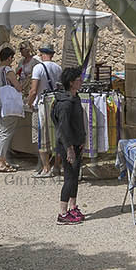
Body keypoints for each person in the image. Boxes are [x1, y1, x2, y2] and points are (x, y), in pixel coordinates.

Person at [52, 65, 87, 223]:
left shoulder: (75, 97)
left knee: (75, 177)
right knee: (69, 178)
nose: (81, 82)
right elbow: (63, 128)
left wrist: (82, 139)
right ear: (71, 83)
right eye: (79, 80)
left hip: (76, 143)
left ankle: (73, 207)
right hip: (68, 146)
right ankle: (63, 213)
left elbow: (78, 122)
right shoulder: (64, 104)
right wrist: (69, 149)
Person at [27, 44, 61, 179]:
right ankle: (57, 165)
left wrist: (29, 102)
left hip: (41, 105)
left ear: (41, 54)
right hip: (55, 104)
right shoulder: (58, 68)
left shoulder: (38, 68)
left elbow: (34, 90)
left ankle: (46, 166)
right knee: (55, 135)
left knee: (40, 137)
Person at [0, 48, 27, 173]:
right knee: (5, 134)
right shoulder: (7, 71)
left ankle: (3, 159)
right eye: (12, 58)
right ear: (9, 58)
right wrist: (25, 82)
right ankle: (1, 162)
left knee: (3, 132)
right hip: (6, 104)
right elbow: (18, 88)